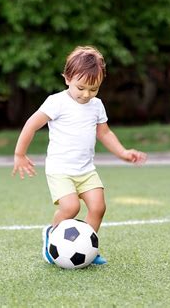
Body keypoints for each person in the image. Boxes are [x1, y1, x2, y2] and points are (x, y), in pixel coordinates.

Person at [12, 46, 147, 265]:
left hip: (86, 170)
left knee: (98, 207)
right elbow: (31, 124)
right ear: (67, 79)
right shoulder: (56, 102)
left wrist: (123, 152)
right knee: (70, 208)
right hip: (60, 170)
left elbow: (104, 133)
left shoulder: (96, 106)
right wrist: (20, 154)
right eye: (81, 87)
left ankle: (88, 247)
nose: (86, 94)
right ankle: (51, 235)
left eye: (93, 89)